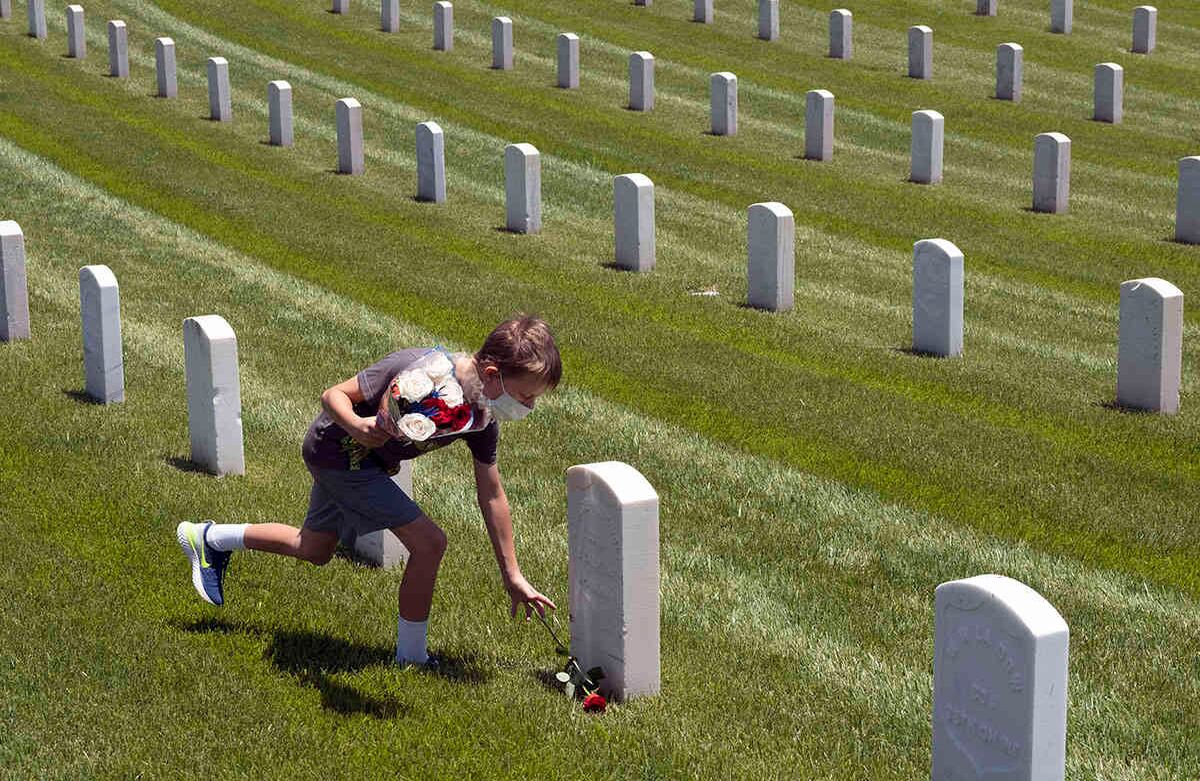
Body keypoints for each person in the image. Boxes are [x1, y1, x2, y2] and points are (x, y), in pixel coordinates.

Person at [174, 314, 561, 667]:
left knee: (314, 548)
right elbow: (332, 396)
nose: (528, 406)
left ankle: (208, 538)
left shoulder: (480, 418)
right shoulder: (417, 369)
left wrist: (512, 573)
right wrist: (359, 428)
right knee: (430, 543)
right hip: (337, 453)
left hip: (367, 465)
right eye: (526, 396)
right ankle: (411, 658)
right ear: (492, 374)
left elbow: (491, 494)